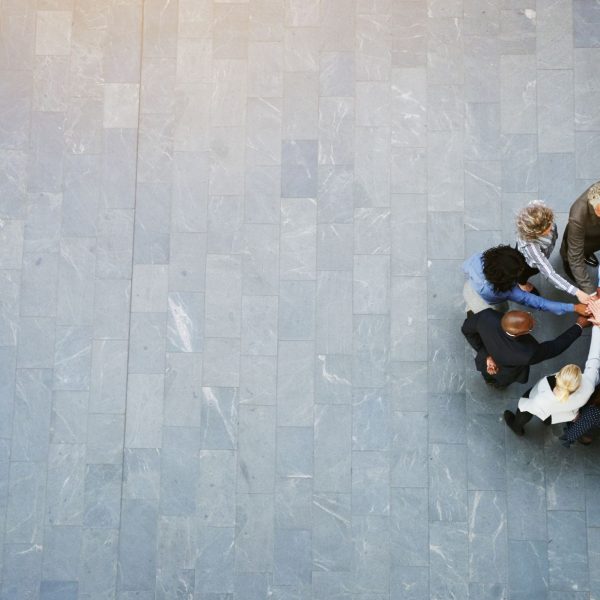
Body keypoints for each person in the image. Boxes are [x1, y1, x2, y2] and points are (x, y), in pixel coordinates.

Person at [504, 324, 600, 435]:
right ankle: (546, 422)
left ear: (557, 376)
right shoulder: (589, 384)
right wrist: (597, 326)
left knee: (525, 407)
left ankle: (517, 426)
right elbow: (594, 359)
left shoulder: (541, 399)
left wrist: (598, 326)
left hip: (543, 407)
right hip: (562, 414)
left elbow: (527, 407)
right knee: (548, 417)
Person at [461, 309, 590, 388]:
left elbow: (466, 329)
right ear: (520, 334)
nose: (533, 321)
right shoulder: (527, 353)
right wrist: (578, 325)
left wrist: (486, 354)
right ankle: (494, 384)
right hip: (505, 371)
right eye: (530, 327)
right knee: (498, 381)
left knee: (488, 374)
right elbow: (555, 347)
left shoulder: (487, 316)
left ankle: (490, 380)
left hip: (486, 360)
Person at [463, 245, 588, 316]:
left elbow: (464, 267)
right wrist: (574, 307)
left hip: (469, 288)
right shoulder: (508, 292)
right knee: (500, 310)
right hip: (486, 304)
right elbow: (539, 303)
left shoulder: (478, 259)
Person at [516, 201, 591, 304]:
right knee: (525, 272)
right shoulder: (531, 246)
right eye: (546, 229)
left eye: (550, 223)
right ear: (534, 233)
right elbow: (550, 274)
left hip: (544, 251)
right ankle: (522, 284)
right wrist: (577, 292)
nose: (551, 227)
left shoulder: (538, 209)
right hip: (528, 263)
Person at [560, 181, 600, 294]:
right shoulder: (578, 215)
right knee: (571, 259)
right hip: (581, 237)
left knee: (589, 249)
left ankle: (586, 254)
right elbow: (575, 259)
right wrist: (591, 293)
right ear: (595, 207)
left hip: (595, 240)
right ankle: (571, 272)